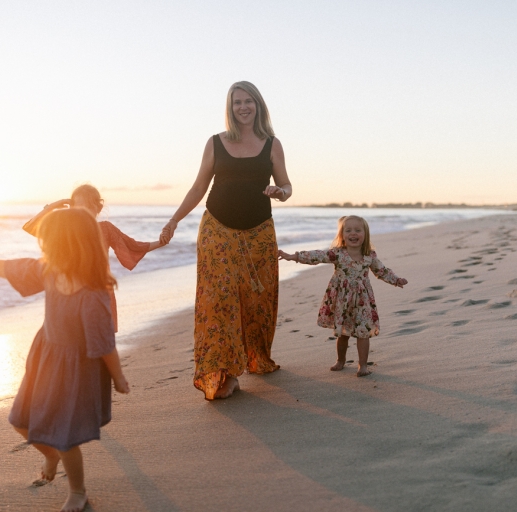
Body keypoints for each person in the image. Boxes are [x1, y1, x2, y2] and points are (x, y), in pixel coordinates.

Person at [0, 208, 129, 512]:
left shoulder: (93, 294)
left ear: (67, 245)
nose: (43, 248)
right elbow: (9, 268)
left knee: (66, 437)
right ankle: (50, 454)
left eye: (48, 242)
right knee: (19, 420)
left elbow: (104, 343)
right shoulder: (49, 271)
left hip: (77, 370)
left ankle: (77, 492)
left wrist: (118, 377)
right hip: (44, 360)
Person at [159, 81, 292, 400]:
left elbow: (287, 186)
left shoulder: (272, 144)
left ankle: (252, 357)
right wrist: (174, 219)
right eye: (236, 102)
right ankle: (222, 373)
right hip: (217, 230)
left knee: (256, 302)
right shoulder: (215, 143)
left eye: (248, 101)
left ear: (258, 105)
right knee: (218, 301)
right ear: (230, 108)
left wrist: (280, 193)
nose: (243, 107)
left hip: (259, 232)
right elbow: (198, 187)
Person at [278, 216, 408, 377]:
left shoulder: (369, 256)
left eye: (358, 230)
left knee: (363, 331)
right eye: (348, 230)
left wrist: (396, 280)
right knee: (343, 332)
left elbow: (382, 271)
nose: (353, 233)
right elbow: (317, 256)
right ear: (342, 235)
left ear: (365, 234)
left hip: (362, 301)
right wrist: (294, 256)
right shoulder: (337, 254)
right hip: (342, 300)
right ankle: (341, 360)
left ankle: (363, 365)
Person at [24, 184, 165, 332]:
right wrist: (52, 206)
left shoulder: (106, 229)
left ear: (98, 208)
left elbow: (133, 246)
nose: (83, 211)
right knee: (75, 340)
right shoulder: (65, 230)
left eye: (88, 206)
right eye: (78, 206)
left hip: (100, 290)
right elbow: (31, 227)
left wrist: (161, 242)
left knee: (100, 341)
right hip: (72, 291)